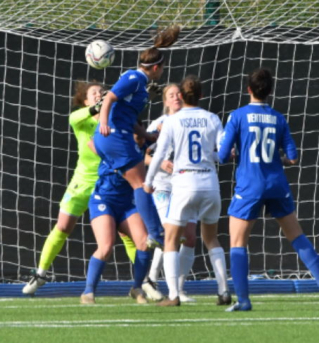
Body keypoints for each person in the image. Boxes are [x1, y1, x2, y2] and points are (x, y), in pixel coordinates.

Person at [22, 81, 137, 295]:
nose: (99, 95)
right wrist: (101, 104)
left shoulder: (114, 119)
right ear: (85, 101)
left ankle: (144, 280)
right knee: (63, 226)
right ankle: (40, 274)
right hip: (82, 183)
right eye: (94, 93)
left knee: (126, 235)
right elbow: (74, 117)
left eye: (102, 92)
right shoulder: (79, 120)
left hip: (108, 183)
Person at [219, 68, 319, 312]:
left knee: (238, 243)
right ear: (270, 91)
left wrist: (236, 154)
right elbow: (293, 158)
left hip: (250, 185)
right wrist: (277, 160)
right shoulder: (278, 118)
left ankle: (243, 301)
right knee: (297, 237)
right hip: (276, 184)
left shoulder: (238, 116)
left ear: (249, 89)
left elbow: (222, 156)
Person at [144, 76, 230, 307]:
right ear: (201, 95)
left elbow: (160, 153)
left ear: (181, 96)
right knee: (211, 238)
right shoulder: (212, 118)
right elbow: (223, 154)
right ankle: (223, 290)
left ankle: (173, 294)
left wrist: (148, 180)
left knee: (171, 238)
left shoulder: (173, 121)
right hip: (210, 183)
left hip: (184, 183)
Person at [94, 27, 181, 248]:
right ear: (155, 67)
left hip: (115, 136)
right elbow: (109, 98)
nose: (162, 73)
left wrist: (146, 135)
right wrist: (103, 123)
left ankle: (153, 234)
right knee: (142, 184)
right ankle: (156, 233)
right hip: (113, 136)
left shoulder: (141, 83)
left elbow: (127, 114)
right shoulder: (134, 77)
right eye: (161, 69)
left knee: (139, 183)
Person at [142, 83, 199, 303]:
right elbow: (143, 154)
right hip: (163, 186)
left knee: (191, 237)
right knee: (171, 233)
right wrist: (161, 162)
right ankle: (153, 279)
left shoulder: (192, 121)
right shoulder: (159, 125)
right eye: (171, 95)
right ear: (165, 101)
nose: (176, 98)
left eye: (179, 94)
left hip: (186, 185)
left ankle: (180, 290)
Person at [80, 153, 151, 305]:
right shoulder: (112, 139)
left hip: (127, 203)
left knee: (144, 242)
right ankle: (88, 291)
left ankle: (137, 288)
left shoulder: (138, 144)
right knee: (106, 247)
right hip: (104, 200)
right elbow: (92, 144)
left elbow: (142, 162)